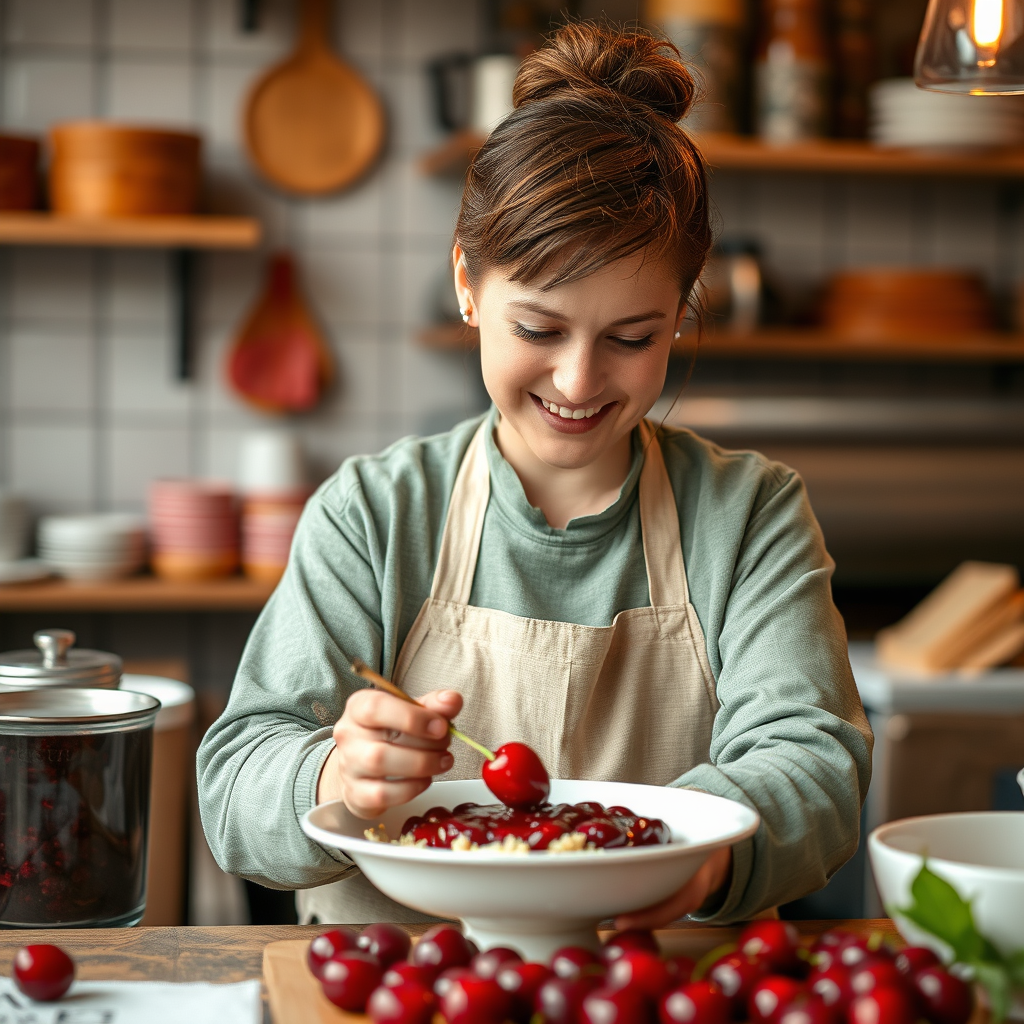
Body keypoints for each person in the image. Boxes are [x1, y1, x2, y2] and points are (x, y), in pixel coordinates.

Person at [197, 22, 872, 927]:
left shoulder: (749, 515)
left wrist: (700, 863)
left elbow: (814, 763)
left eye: (632, 338)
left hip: (661, 981)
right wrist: (330, 773)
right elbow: (237, 780)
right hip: (406, 985)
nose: (579, 381)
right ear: (468, 285)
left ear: (681, 313)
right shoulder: (373, 514)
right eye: (539, 330)